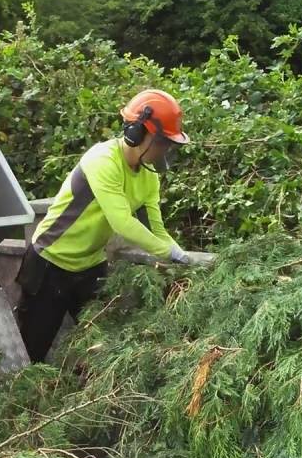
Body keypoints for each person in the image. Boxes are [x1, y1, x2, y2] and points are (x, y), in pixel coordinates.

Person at [16, 88, 191, 363]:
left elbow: (156, 228)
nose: (164, 151)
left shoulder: (149, 176)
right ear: (136, 133)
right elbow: (122, 223)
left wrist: (180, 254)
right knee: (32, 352)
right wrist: (165, 251)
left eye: (169, 145)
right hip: (51, 263)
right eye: (162, 142)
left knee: (104, 348)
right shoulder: (103, 161)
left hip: (90, 266)